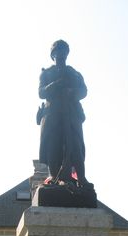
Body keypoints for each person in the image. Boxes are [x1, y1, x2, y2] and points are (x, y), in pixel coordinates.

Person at [38, 40, 88, 187]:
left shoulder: (75, 73)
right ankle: (54, 177)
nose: (61, 54)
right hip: (53, 115)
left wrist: (71, 92)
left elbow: (84, 91)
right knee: (53, 145)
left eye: (63, 51)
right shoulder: (46, 73)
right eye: (57, 52)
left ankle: (82, 178)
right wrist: (56, 84)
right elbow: (41, 92)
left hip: (72, 114)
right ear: (52, 55)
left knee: (77, 145)